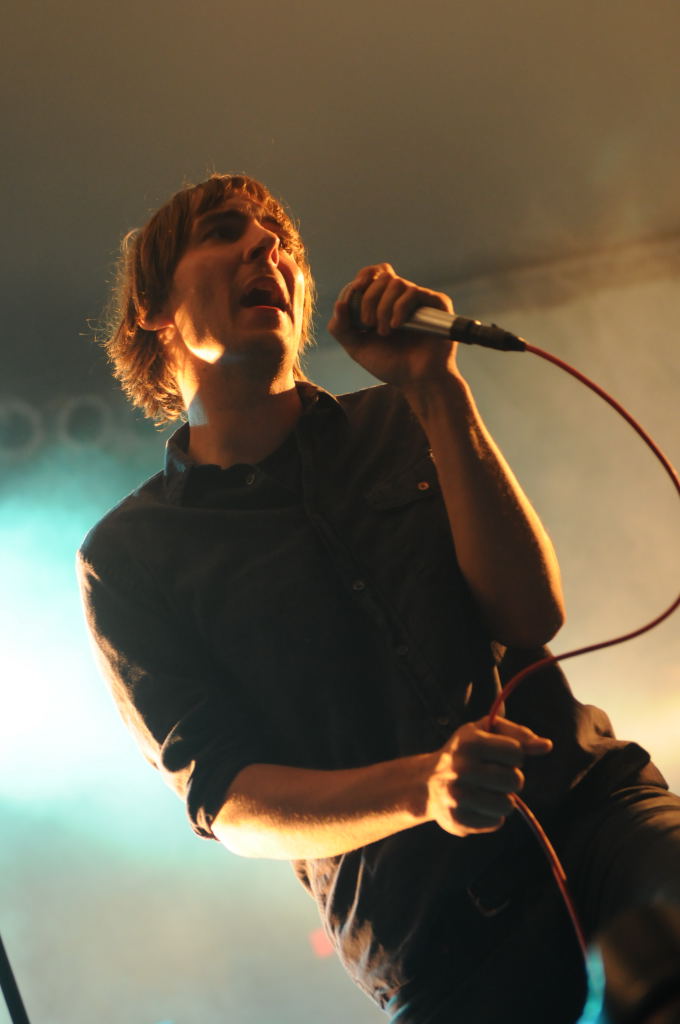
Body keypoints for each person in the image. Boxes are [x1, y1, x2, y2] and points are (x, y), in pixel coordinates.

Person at [77, 173, 680, 1023]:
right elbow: (230, 801)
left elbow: (530, 616)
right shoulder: (130, 556)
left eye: (278, 241)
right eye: (223, 231)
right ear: (151, 307)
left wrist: (438, 388)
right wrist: (425, 786)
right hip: (432, 939)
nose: (266, 248)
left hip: (593, 821)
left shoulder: (400, 419)